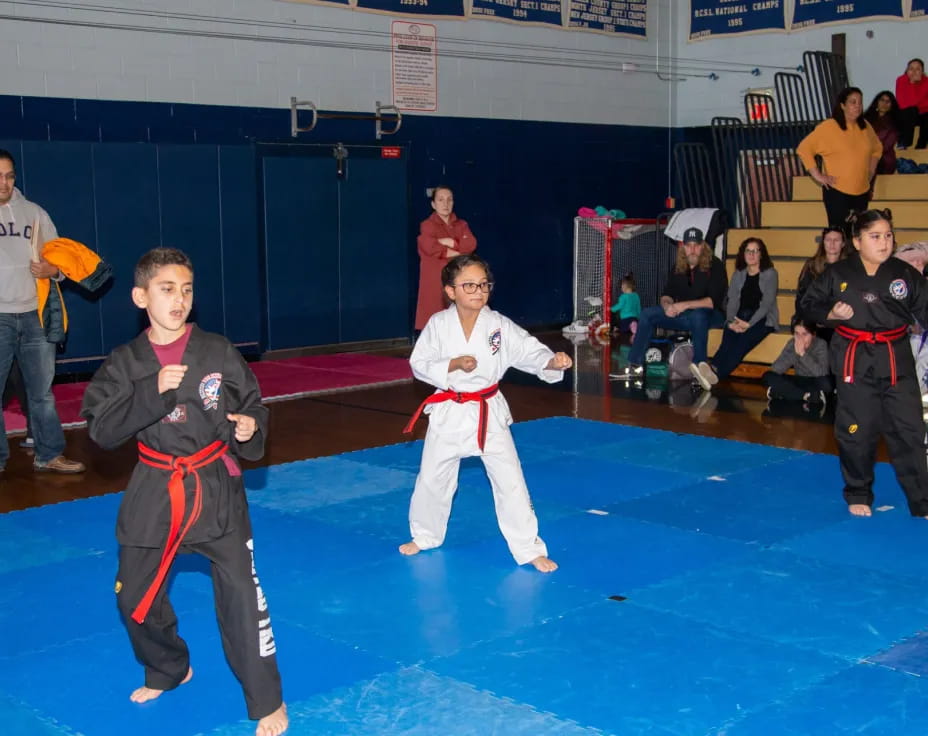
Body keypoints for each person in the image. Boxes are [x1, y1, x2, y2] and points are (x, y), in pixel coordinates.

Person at [80, 248, 288, 736]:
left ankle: (266, 699)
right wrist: (152, 391)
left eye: (187, 289)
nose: (179, 299)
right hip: (155, 487)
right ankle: (168, 668)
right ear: (140, 296)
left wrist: (246, 429)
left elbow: (254, 404)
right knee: (134, 596)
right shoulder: (125, 362)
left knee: (242, 596)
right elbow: (101, 431)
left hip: (215, 486)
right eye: (167, 289)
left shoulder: (216, 351)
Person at [400, 254, 571, 573]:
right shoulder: (438, 325)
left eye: (483, 285)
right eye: (469, 285)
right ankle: (425, 534)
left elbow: (529, 351)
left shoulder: (499, 326)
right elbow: (418, 363)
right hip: (449, 410)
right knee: (433, 479)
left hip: (487, 411)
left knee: (510, 480)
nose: (478, 291)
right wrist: (452, 364)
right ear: (450, 291)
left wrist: (551, 362)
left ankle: (528, 548)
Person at [800, 209, 928, 519]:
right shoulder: (838, 274)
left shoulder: (904, 274)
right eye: (875, 236)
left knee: (910, 428)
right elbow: (808, 305)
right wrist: (831, 315)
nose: (884, 243)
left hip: (895, 355)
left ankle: (921, 501)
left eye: (888, 236)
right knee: (858, 428)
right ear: (857, 242)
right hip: (853, 357)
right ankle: (858, 492)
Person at [0, 149, 84, 474]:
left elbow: (60, 259)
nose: (4, 183)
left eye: (9, 175)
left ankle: (49, 454)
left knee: (42, 392)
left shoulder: (34, 213)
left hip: (34, 316)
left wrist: (52, 271)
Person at [612, 227, 728, 384]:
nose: (692, 249)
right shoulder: (678, 267)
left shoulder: (716, 265)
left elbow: (712, 301)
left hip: (711, 315)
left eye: (696, 245)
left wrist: (683, 306)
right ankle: (635, 365)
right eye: (688, 245)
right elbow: (667, 294)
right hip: (685, 315)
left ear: (703, 247)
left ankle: (699, 367)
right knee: (647, 314)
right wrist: (667, 305)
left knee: (698, 315)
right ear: (683, 247)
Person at [796, 87, 882, 231]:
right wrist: (818, 176)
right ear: (842, 105)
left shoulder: (866, 126)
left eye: (860, 102)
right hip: (837, 192)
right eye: (852, 102)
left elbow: (877, 148)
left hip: (862, 191)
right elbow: (803, 149)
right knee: (839, 234)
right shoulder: (828, 127)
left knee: (858, 235)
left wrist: (871, 171)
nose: (857, 106)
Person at [700, 237, 779, 386]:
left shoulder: (770, 274)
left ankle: (716, 373)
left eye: (755, 251)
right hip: (741, 315)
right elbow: (732, 301)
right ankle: (712, 368)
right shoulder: (738, 274)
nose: (751, 254)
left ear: (761, 254)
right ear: (743, 254)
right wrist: (730, 321)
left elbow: (766, 305)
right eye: (748, 251)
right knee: (728, 336)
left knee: (741, 342)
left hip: (762, 319)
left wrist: (748, 324)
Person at [415, 186, 477, 331]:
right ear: (433, 204)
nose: (445, 204)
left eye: (449, 200)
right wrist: (459, 250)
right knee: (435, 323)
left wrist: (451, 242)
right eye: (441, 200)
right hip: (435, 281)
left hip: (458, 278)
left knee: (460, 322)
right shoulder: (427, 225)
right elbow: (430, 247)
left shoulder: (462, 224)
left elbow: (471, 243)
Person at [762, 317, 832, 405]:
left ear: (813, 334)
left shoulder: (821, 344)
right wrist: (795, 352)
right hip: (798, 380)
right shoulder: (792, 343)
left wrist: (802, 354)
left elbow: (822, 372)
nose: (800, 338)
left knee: (826, 384)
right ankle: (805, 396)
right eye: (797, 334)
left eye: (804, 334)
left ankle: (783, 392)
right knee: (767, 376)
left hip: (814, 381)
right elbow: (776, 369)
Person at [863, 90, 900, 175]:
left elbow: (885, 147)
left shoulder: (894, 123)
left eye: (888, 101)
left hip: (883, 159)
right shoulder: (865, 120)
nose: (884, 103)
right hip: (865, 155)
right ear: (877, 102)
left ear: (891, 105)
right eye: (882, 100)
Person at [895, 58, 928, 149]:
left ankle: (921, 146)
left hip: (922, 113)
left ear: (922, 71)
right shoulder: (901, 80)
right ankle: (905, 142)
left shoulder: (926, 82)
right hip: (905, 113)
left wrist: (913, 84)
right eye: (911, 69)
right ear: (907, 70)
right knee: (911, 110)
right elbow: (902, 103)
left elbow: (920, 103)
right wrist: (912, 83)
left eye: (917, 69)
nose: (914, 72)